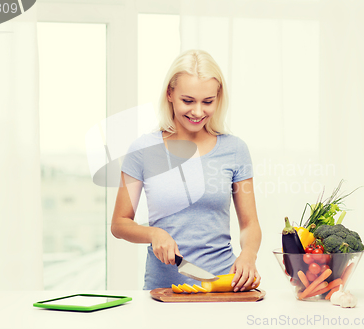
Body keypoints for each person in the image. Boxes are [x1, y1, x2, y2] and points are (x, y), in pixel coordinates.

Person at [111, 49, 261, 292]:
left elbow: (250, 224)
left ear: (218, 97)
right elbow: (119, 223)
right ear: (170, 93)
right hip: (164, 288)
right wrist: (154, 234)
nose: (198, 112)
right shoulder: (143, 149)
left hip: (224, 285)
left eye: (208, 102)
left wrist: (249, 255)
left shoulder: (234, 150)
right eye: (188, 101)